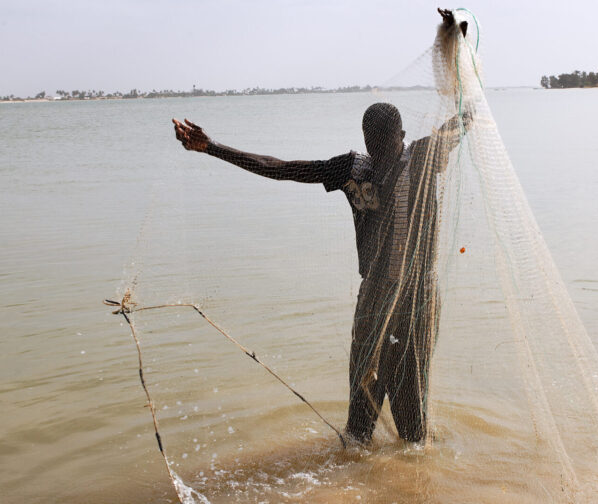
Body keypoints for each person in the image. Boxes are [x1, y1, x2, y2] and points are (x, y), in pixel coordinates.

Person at [173, 11, 469, 444]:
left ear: (389, 138)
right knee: (384, 421)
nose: (388, 151)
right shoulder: (378, 165)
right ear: (382, 140)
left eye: (389, 144)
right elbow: (282, 168)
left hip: (405, 298)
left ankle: (387, 477)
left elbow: (463, 118)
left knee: (390, 418)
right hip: (392, 297)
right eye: (383, 144)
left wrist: (454, 41)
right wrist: (212, 147)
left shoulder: (394, 163)